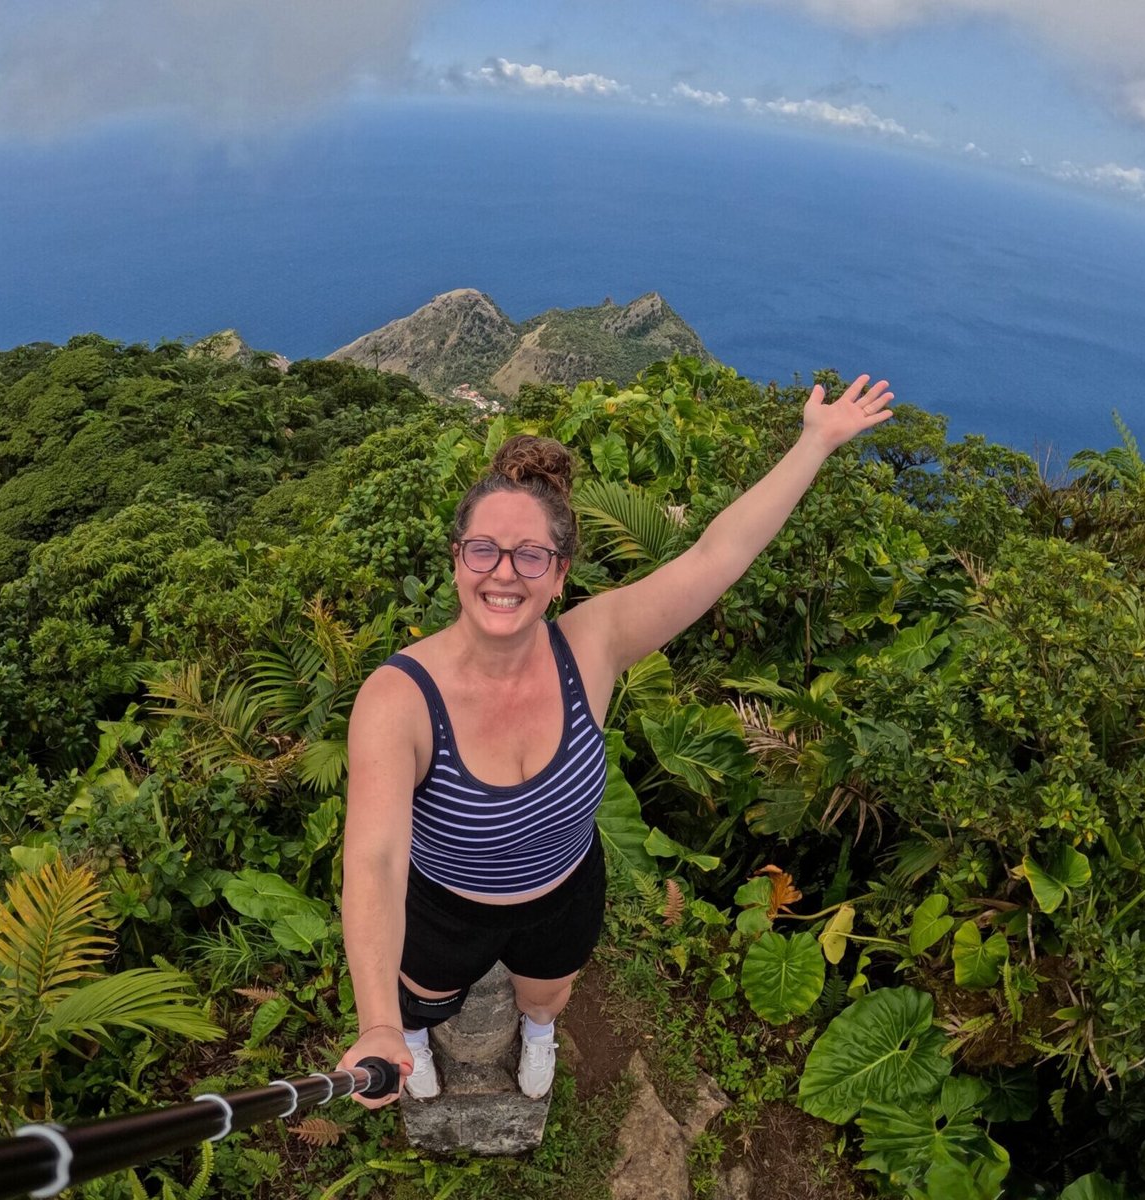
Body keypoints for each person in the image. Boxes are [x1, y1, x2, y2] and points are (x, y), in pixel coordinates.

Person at [337, 374, 894, 1106]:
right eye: (484, 551)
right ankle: (409, 1041)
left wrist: (814, 442)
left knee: (548, 995)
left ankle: (539, 1034)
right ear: (456, 559)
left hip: (561, 890)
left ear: (560, 575)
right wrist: (376, 1021)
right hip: (445, 904)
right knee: (424, 998)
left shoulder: (591, 648)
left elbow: (712, 558)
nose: (504, 573)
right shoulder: (399, 698)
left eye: (530, 555)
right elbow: (375, 861)